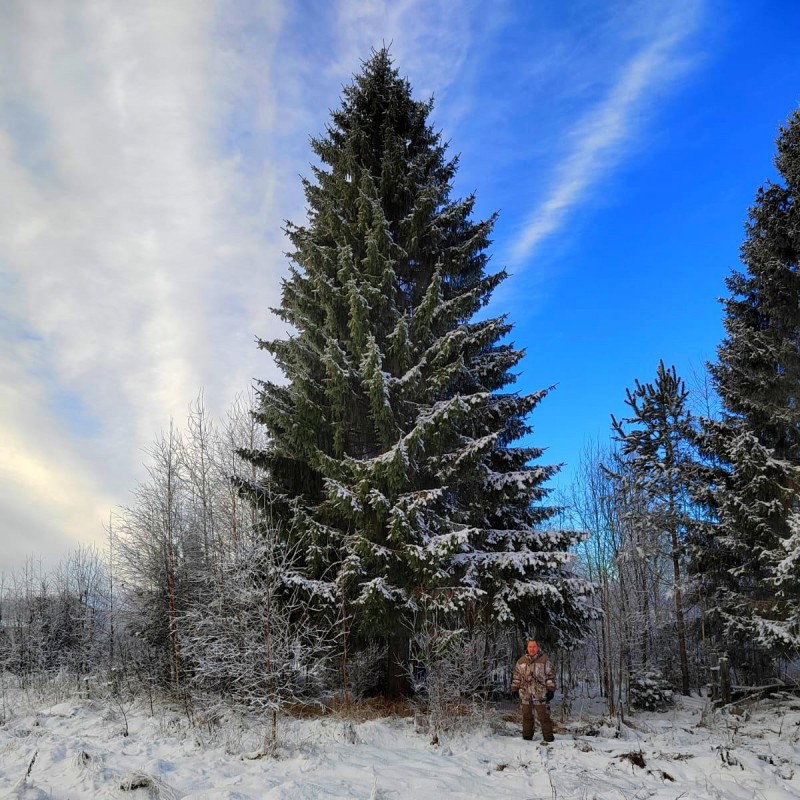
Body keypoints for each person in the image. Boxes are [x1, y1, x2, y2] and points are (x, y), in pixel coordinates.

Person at [510, 639, 556, 743]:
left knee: (544, 717)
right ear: (527, 648)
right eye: (530, 647)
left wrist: (551, 689)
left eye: (534, 647)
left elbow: (550, 676)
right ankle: (527, 739)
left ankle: (549, 740)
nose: (532, 649)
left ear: (538, 647)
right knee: (526, 717)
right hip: (525, 694)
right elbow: (516, 677)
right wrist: (514, 689)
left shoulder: (545, 660)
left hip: (540, 694)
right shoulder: (521, 661)